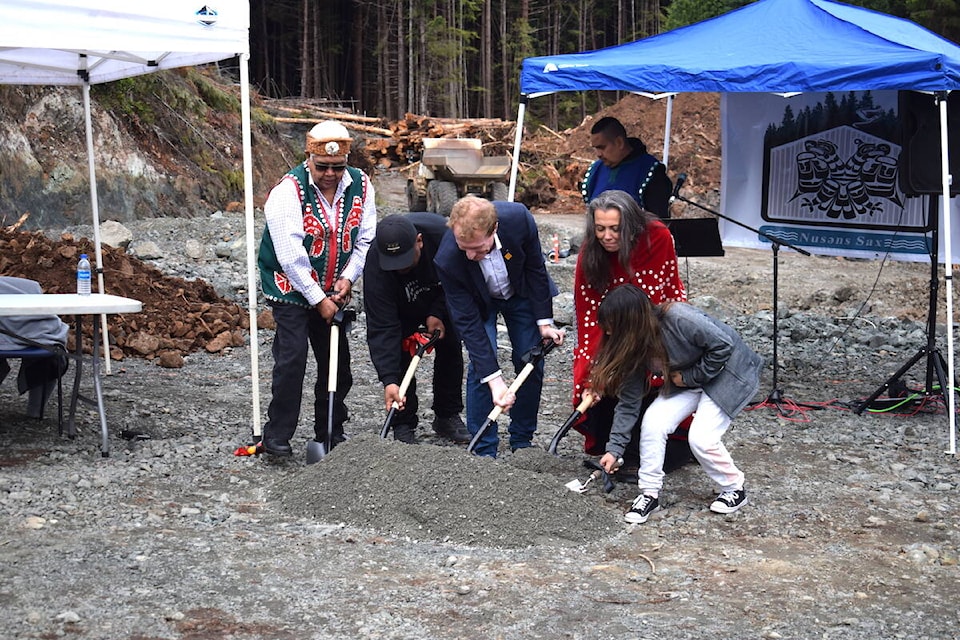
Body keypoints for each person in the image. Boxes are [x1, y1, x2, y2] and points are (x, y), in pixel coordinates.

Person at [591, 284, 762, 524]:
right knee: (652, 423)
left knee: (701, 438)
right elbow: (629, 402)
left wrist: (691, 377)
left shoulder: (680, 317)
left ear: (629, 322)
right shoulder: (631, 347)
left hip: (727, 373)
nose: (608, 336)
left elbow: (724, 345)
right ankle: (649, 493)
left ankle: (734, 488)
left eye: (612, 329)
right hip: (686, 379)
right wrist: (614, 449)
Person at [257, 120, 376, 457]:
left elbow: (365, 239)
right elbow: (291, 256)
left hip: (334, 288)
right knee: (292, 359)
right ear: (308, 157)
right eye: (322, 166)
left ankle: (330, 431)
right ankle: (277, 435)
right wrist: (317, 299)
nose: (329, 174)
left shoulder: (362, 186)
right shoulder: (288, 191)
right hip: (290, 287)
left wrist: (349, 277)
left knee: (337, 362)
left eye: (337, 167)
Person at [434, 195, 564, 458]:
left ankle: (522, 441)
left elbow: (535, 268)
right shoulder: (447, 259)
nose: (470, 255)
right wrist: (496, 382)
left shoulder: (519, 219)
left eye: (478, 248)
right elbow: (469, 325)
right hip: (479, 301)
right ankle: (483, 449)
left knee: (531, 358)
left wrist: (545, 322)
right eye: (464, 247)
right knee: (483, 365)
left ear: (494, 229)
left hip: (519, 293)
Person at [572, 190, 687, 466]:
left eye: (615, 228)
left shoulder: (657, 237)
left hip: (650, 320)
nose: (607, 236)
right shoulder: (592, 251)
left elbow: (665, 290)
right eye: (600, 229)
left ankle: (652, 452)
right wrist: (596, 366)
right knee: (599, 367)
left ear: (631, 226)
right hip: (609, 323)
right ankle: (608, 447)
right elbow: (587, 307)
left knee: (649, 372)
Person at [364, 212, 470, 445]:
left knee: (451, 344)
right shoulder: (376, 265)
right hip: (400, 305)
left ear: (419, 241)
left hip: (438, 292)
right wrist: (389, 379)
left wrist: (437, 313)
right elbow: (382, 326)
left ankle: (447, 414)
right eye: (394, 264)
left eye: (405, 261)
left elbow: (457, 285)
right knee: (401, 350)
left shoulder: (445, 239)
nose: (400, 269)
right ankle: (402, 421)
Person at [0, 276, 69, 419]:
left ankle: (36, 410)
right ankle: (36, 410)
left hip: (34, 334)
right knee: (52, 350)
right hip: (39, 335)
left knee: (50, 353)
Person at [581, 116, 673, 218]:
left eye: (602, 147)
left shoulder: (651, 171)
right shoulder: (596, 170)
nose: (598, 154)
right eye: (596, 148)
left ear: (619, 142)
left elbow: (659, 221)